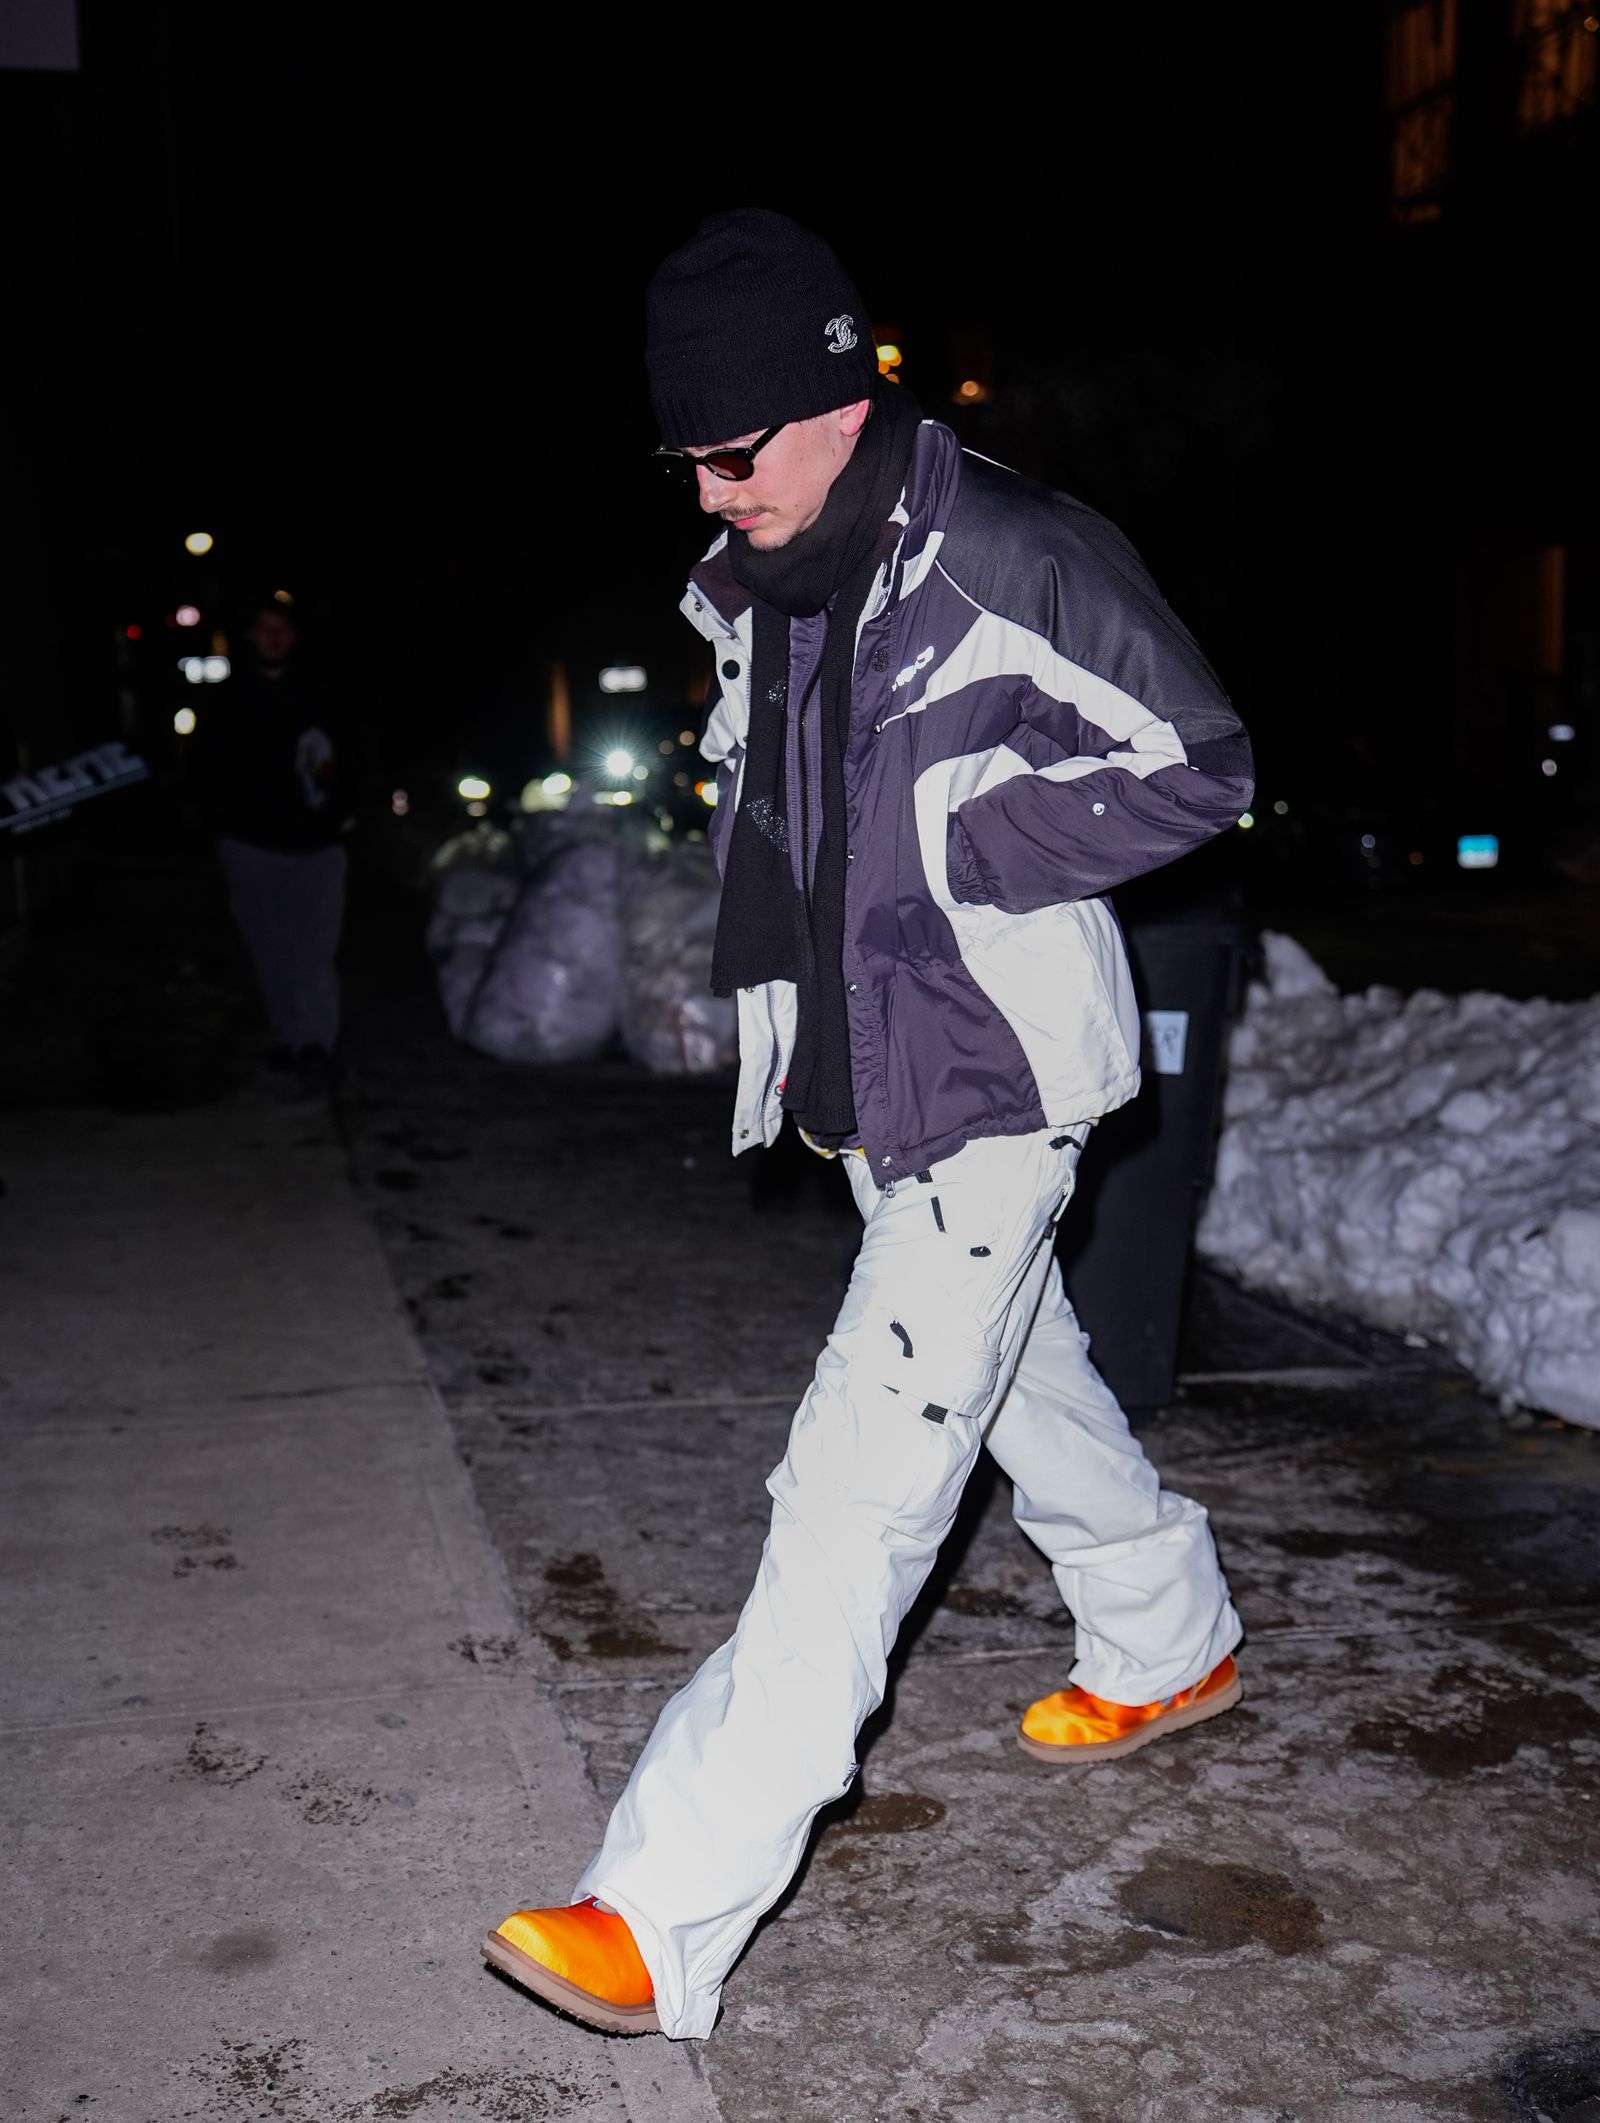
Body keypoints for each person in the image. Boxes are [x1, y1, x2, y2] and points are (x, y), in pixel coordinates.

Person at [485, 210, 1254, 2041]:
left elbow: (1201, 763)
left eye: (730, 451)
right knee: (1018, 1376)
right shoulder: (787, 561)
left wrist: (979, 853)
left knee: (859, 1486)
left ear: (833, 403)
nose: (707, 487)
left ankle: (659, 1904)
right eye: (683, 457)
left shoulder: (1009, 551)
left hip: (986, 1071)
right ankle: (1169, 1631)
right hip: (867, 1071)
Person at [191, 598, 356, 1091]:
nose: (273, 637)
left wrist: (344, 813)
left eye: (281, 628)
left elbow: (355, 757)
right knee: (268, 947)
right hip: (250, 843)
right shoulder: (225, 699)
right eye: (263, 629)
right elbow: (201, 767)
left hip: (318, 844)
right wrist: (217, 818)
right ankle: (287, 1038)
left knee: (315, 948)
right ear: (250, 636)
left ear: (295, 635)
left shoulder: (324, 694)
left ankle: (315, 1044)